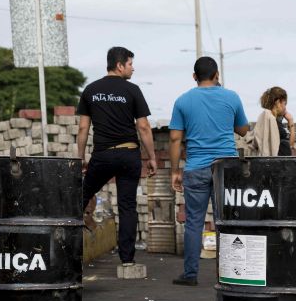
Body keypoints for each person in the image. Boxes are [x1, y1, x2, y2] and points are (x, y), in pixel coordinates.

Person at [169, 57, 250, 286]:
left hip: (195, 168)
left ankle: (190, 274)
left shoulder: (183, 101)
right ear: (216, 75)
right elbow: (243, 130)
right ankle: (231, 274)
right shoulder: (231, 97)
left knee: (194, 222)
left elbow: (175, 138)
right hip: (226, 168)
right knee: (226, 222)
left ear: (194, 77)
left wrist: (175, 171)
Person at [77, 46, 157, 267]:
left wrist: (80, 157)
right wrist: (151, 157)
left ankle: (67, 250)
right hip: (129, 154)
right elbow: (143, 126)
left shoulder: (90, 90)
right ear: (120, 65)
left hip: (102, 155)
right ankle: (127, 260)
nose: (133, 68)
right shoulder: (132, 90)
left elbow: (83, 128)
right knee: (127, 206)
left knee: (80, 198)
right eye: (130, 64)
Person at [251, 86, 295, 157]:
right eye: (284, 104)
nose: (285, 108)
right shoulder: (272, 121)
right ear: (278, 102)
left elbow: (290, 147)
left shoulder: (271, 121)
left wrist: (290, 121)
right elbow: (290, 147)